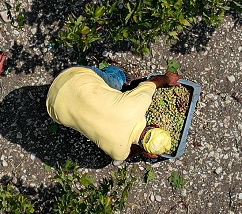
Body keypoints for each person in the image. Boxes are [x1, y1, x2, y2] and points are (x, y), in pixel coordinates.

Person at [46, 65, 182, 162]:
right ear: (146, 151)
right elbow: (128, 154)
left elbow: (154, 82)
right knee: (116, 80)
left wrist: (167, 78)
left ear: (155, 126)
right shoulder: (120, 153)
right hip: (54, 108)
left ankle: (118, 72)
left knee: (117, 78)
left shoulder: (139, 103)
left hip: (73, 75)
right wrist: (142, 151)